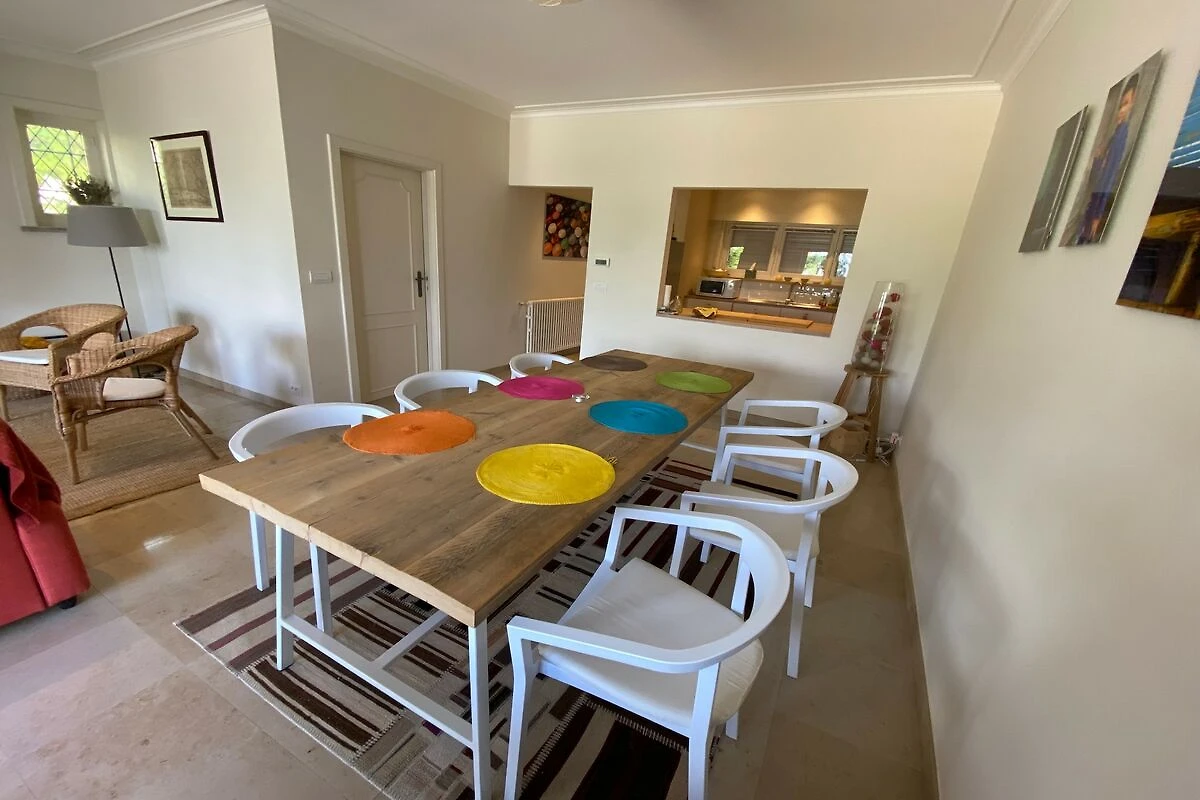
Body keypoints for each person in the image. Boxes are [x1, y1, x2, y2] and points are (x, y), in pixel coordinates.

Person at [1073, 74, 1139, 244]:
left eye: (1126, 104)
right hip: (1093, 205)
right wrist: (1098, 159)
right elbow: (1100, 177)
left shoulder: (1121, 136)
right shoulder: (1115, 135)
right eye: (1121, 105)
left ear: (1133, 104)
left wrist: (1097, 215)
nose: (1121, 110)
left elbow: (1108, 180)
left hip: (1096, 207)